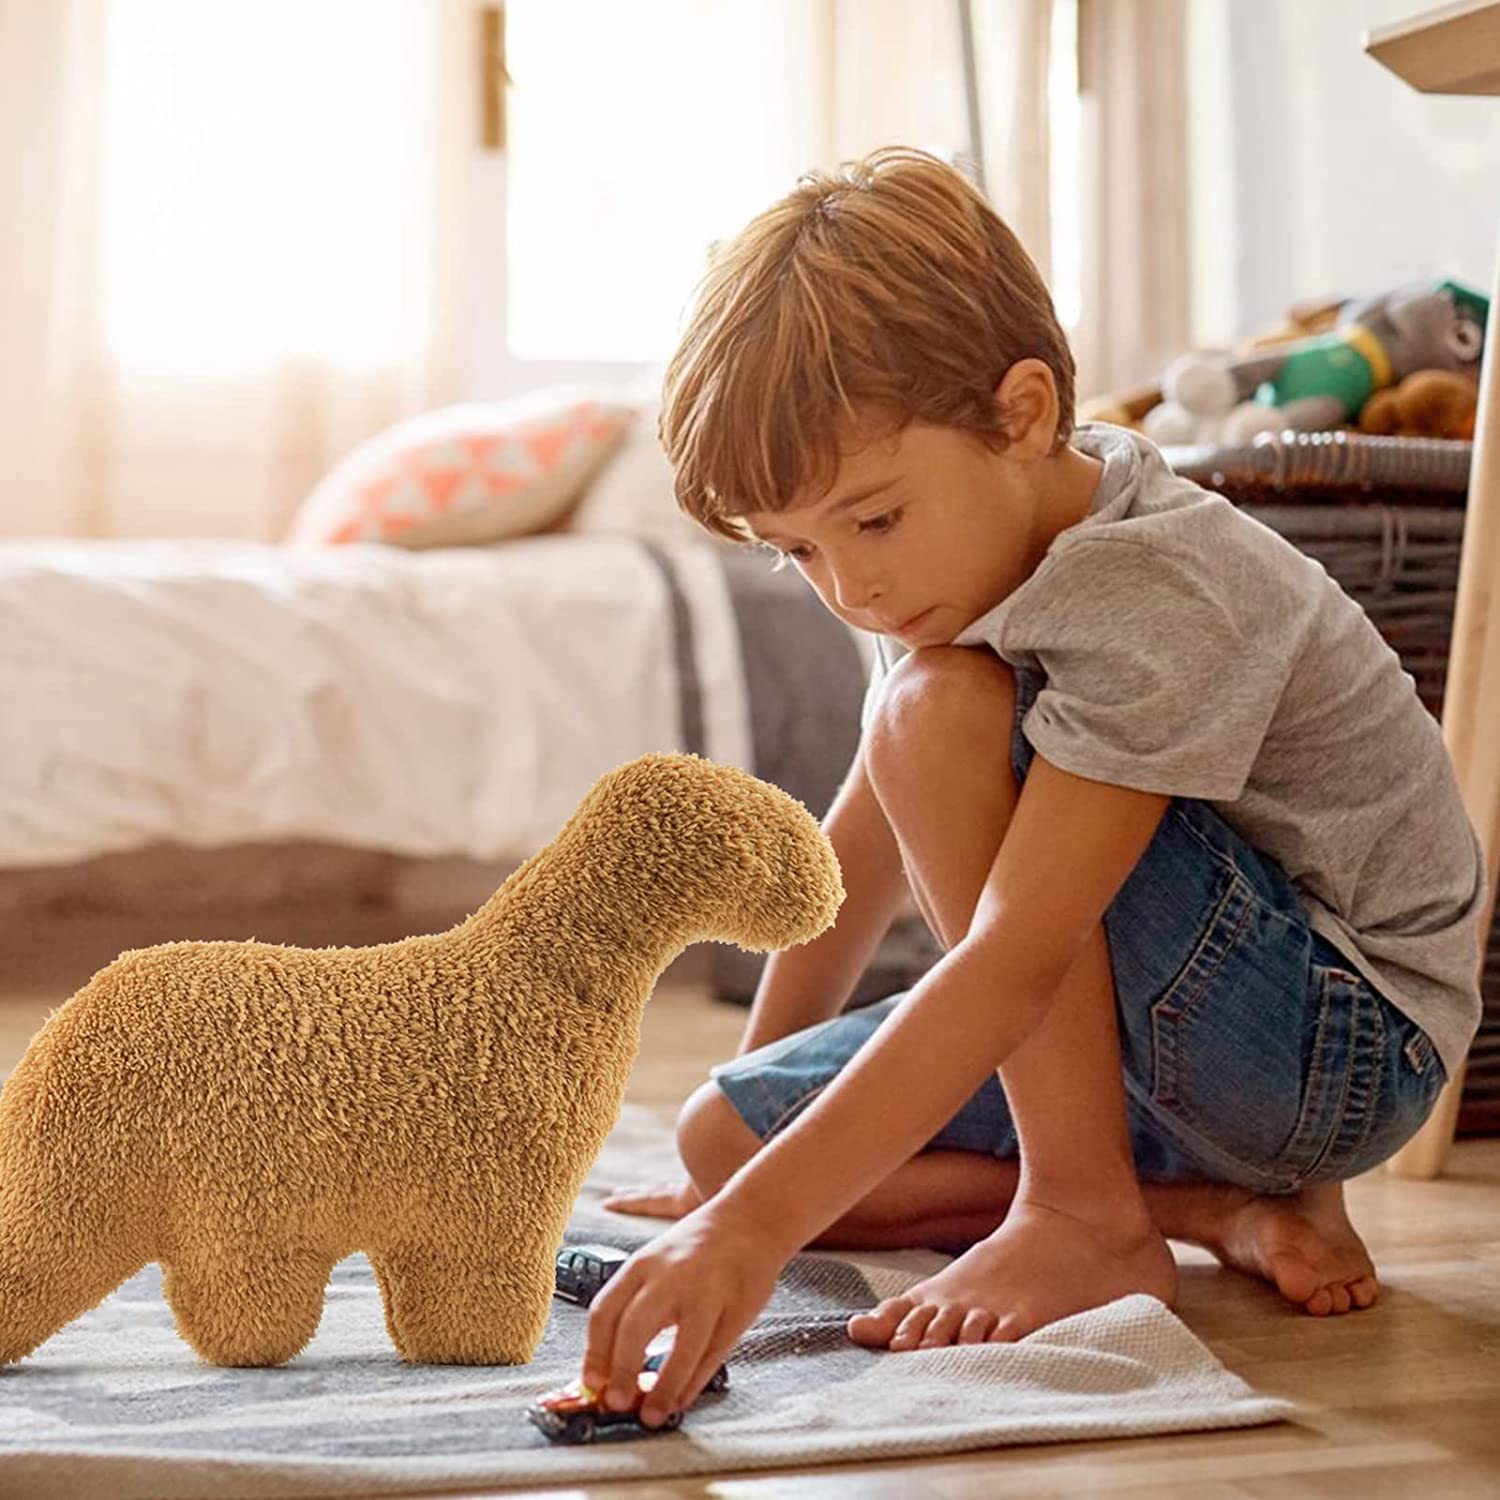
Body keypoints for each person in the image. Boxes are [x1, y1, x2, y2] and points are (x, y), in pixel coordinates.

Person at [580, 145, 1485, 1429]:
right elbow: (864, 846)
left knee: (936, 710)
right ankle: (1207, 1212)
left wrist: (754, 1236)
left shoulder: (1154, 582)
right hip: (1181, 1043)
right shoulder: (951, 552)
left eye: (872, 522)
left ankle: (1081, 1211)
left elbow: (1013, 955)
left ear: (1019, 413)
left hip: (1338, 1038)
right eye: (798, 553)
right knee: (726, 1140)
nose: (851, 589)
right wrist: (751, 1151)